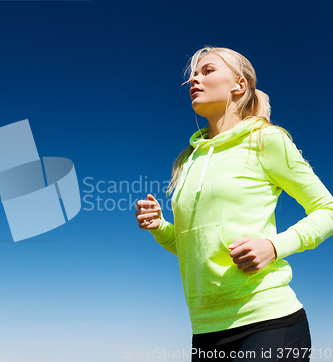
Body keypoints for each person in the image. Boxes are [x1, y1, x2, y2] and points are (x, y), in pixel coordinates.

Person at [135, 46, 333, 361]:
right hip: (205, 331)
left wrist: (274, 246)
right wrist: (159, 227)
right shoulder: (189, 160)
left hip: (268, 320)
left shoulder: (265, 140)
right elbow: (194, 246)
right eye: (192, 75)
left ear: (239, 85)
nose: (194, 81)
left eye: (207, 71)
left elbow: (328, 210)